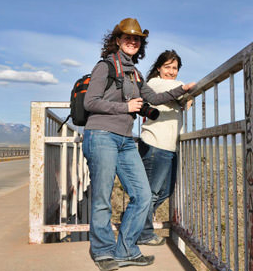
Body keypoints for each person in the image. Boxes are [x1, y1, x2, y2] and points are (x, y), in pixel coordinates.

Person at [82, 18, 195, 271]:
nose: (132, 42)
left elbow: (153, 97)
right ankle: (102, 252)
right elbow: (91, 102)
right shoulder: (105, 66)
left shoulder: (135, 73)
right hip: (101, 136)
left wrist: (182, 89)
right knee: (102, 196)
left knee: (143, 195)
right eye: (128, 38)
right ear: (118, 41)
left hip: (126, 140)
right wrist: (125, 107)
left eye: (137, 39)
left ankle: (126, 250)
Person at [136, 50, 192, 246]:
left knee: (166, 190)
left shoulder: (172, 88)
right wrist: (187, 91)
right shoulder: (155, 83)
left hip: (169, 146)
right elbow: (177, 87)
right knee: (151, 192)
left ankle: (135, 218)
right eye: (167, 67)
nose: (171, 71)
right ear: (159, 68)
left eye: (174, 68)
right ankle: (143, 232)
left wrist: (184, 96)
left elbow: (178, 92)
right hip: (155, 143)